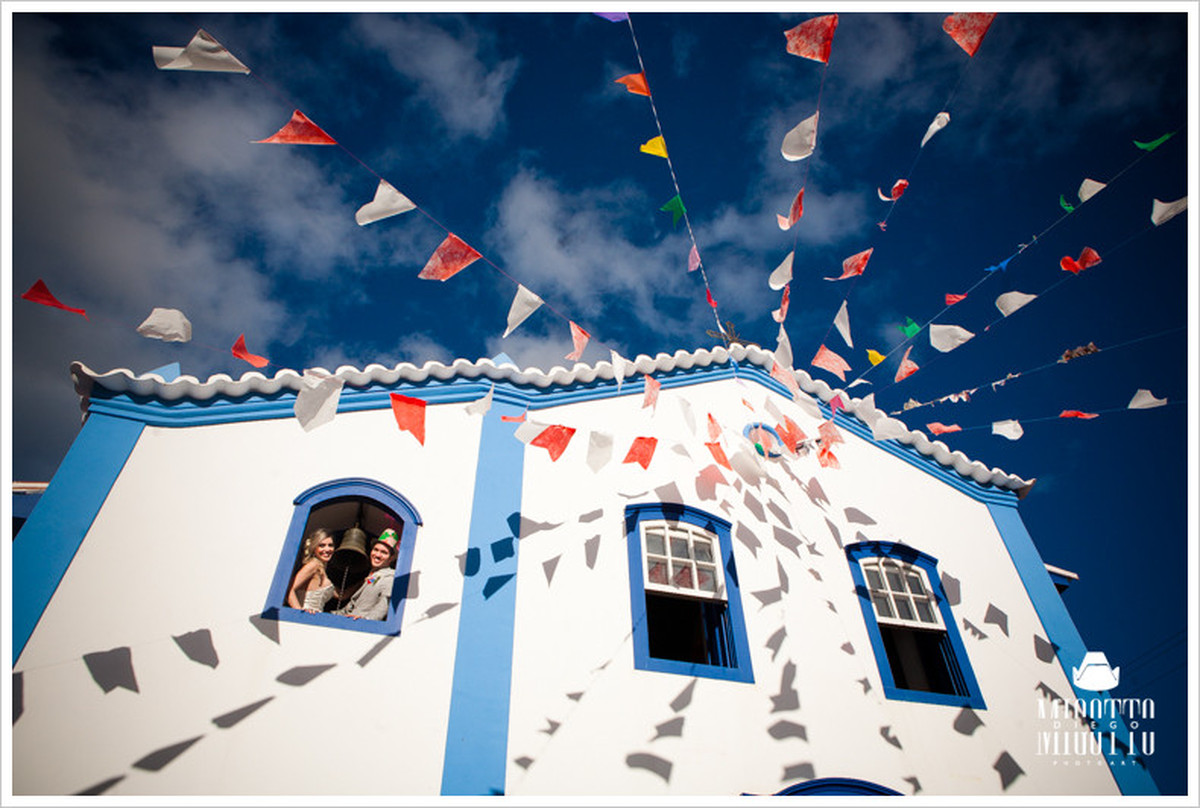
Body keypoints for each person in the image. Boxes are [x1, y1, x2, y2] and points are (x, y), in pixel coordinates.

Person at [334, 528, 398, 621]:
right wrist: (327, 614)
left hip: (360, 625)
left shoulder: (389, 577)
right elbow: (352, 607)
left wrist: (365, 620)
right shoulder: (373, 576)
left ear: (391, 558)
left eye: (383, 552)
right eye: (376, 550)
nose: (377, 555)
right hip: (348, 622)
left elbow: (383, 605)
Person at [287, 528, 335, 613]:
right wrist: (299, 612)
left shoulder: (321, 568)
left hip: (317, 616)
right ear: (314, 547)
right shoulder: (313, 565)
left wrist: (360, 584)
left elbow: (340, 595)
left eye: (330, 545)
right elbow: (289, 589)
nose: (327, 549)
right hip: (307, 616)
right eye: (322, 545)